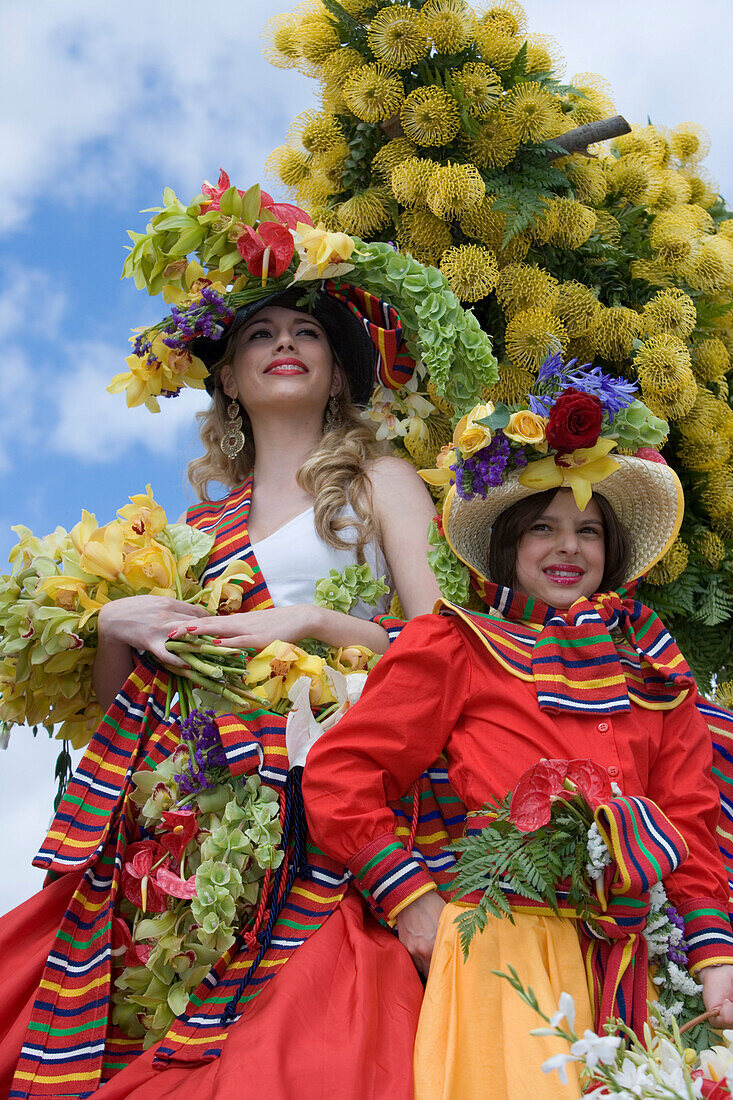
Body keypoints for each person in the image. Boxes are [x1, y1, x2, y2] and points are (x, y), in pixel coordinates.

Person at [0, 183, 496, 1100]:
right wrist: (115, 624)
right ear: (226, 377)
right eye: (259, 337)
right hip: (198, 816)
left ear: (340, 373)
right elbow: (130, 709)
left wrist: (312, 621)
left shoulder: (380, 480)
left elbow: (448, 647)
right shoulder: (194, 526)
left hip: (339, 791)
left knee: (309, 1033)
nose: (282, 347)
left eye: (304, 334)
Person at [303, 376, 733, 1100]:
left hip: (630, 966)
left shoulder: (654, 669)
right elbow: (341, 775)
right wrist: (412, 901)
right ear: (507, 544)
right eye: (543, 527)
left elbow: (687, 823)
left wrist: (715, 962)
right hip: (500, 947)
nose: (567, 548)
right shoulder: (454, 644)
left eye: (588, 532)